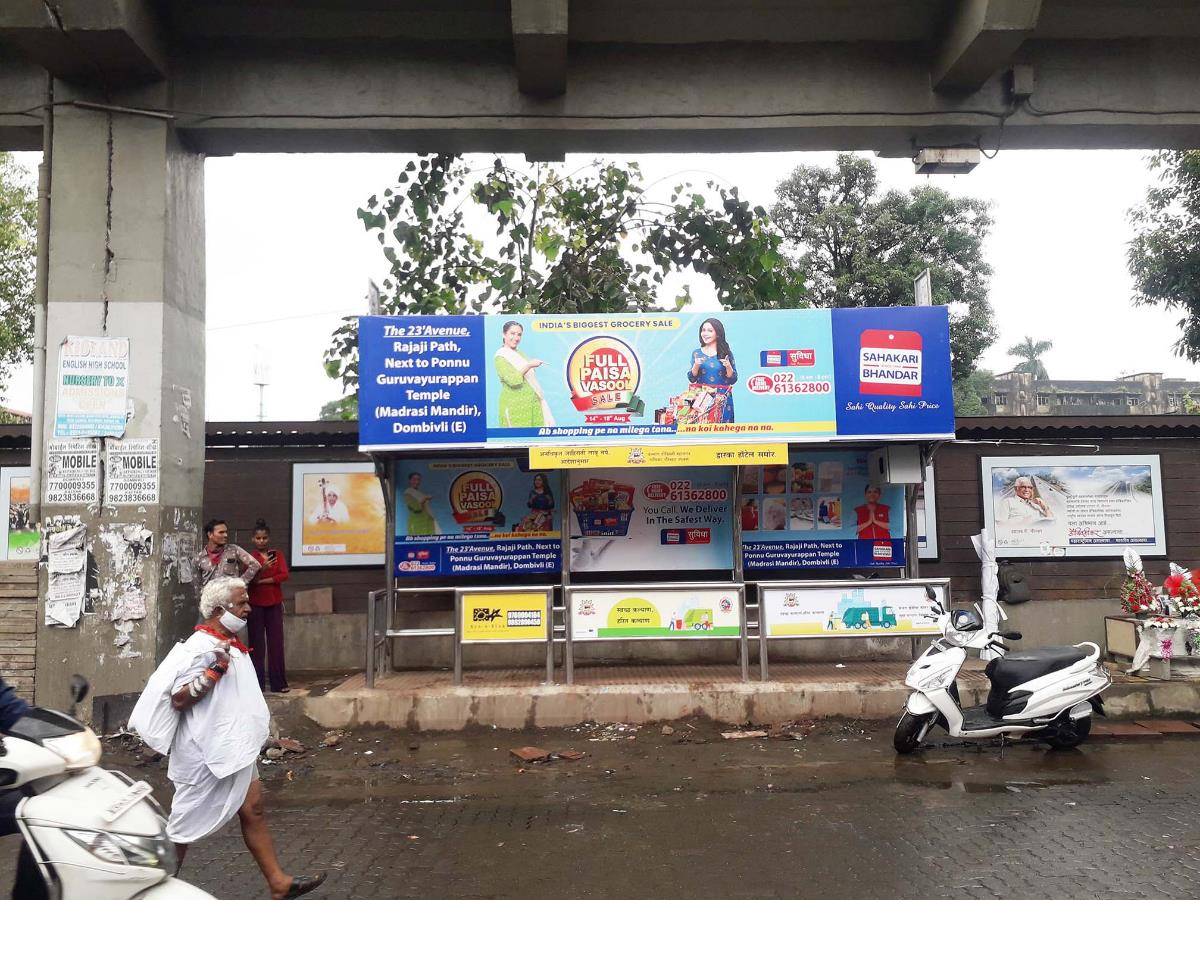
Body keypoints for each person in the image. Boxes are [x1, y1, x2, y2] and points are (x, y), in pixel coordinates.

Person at [129, 577, 325, 899]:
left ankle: (278, 883)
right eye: (242, 603)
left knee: (253, 809)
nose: (249, 608)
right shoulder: (199, 649)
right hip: (203, 754)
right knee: (182, 829)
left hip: (234, 749)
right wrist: (212, 673)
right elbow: (179, 699)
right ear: (220, 609)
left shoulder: (231, 643)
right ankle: (154, 894)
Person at [247, 519, 291, 693]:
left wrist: (262, 580)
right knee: (256, 645)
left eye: (264, 538)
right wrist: (262, 569)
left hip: (274, 603)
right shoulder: (250, 557)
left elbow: (284, 575)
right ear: (253, 539)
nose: (261, 541)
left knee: (276, 643)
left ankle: (278, 683)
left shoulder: (277, 554)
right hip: (255, 604)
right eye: (258, 538)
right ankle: (257, 685)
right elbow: (248, 580)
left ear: (269, 538)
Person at [495, 320, 554, 427]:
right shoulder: (501, 357)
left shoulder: (519, 353)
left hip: (532, 405)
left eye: (519, 335)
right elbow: (513, 381)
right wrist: (529, 365)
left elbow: (529, 377)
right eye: (512, 334)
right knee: (517, 441)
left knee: (537, 440)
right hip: (515, 407)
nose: (516, 338)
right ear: (504, 334)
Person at [686, 316, 737, 422]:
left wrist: (728, 366)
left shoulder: (726, 353)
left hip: (722, 399)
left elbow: (733, 379)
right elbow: (692, 378)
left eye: (710, 331)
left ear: (717, 334)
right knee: (702, 427)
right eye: (703, 330)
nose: (705, 333)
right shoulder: (697, 353)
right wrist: (696, 365)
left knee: (722, 429)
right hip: (702, 398)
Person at [194, 518, 260, 590]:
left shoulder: (234, 550)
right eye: (221, 532)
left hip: (230, 598)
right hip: (211, 599)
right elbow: (197, 585)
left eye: (226, 532)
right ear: (210, 534)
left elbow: (255, 565)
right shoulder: (199, 559)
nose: (225, 535)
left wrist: (240, 583)